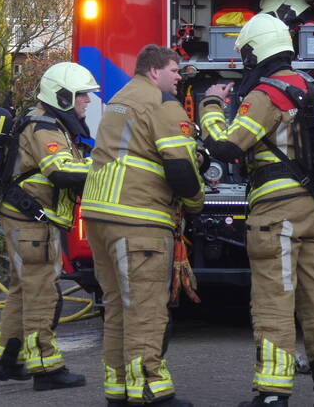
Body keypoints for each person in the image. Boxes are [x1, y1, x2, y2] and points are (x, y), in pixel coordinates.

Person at [198, 13, 314, 407]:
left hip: (277, 214)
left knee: (273, 301)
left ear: (257, 51)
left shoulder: (268, 94)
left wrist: (211, 107)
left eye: (247, 53)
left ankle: (272, 395)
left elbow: (229, 146)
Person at [82, 44, 205, 407]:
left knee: (118, 307)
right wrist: (195, 204)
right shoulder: (162, 103)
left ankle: (119, 390)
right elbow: (181, 166)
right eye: (174, 70)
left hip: (100, 217)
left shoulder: (120, 98)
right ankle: (151, 390)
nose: (179, 77)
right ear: (154, 72)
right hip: (139, 220)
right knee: (146, 309)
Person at [0, 61, 99, 391]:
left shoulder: (52, 123)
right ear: (63, 96)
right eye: (82, 96)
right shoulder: (45, 127)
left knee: (24, 289)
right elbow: (61, 170)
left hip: (24, 219)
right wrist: (108, 168)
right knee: (43, 294)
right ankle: (47, 368)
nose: (87, 102)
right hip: (32, 224)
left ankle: (8, 359)